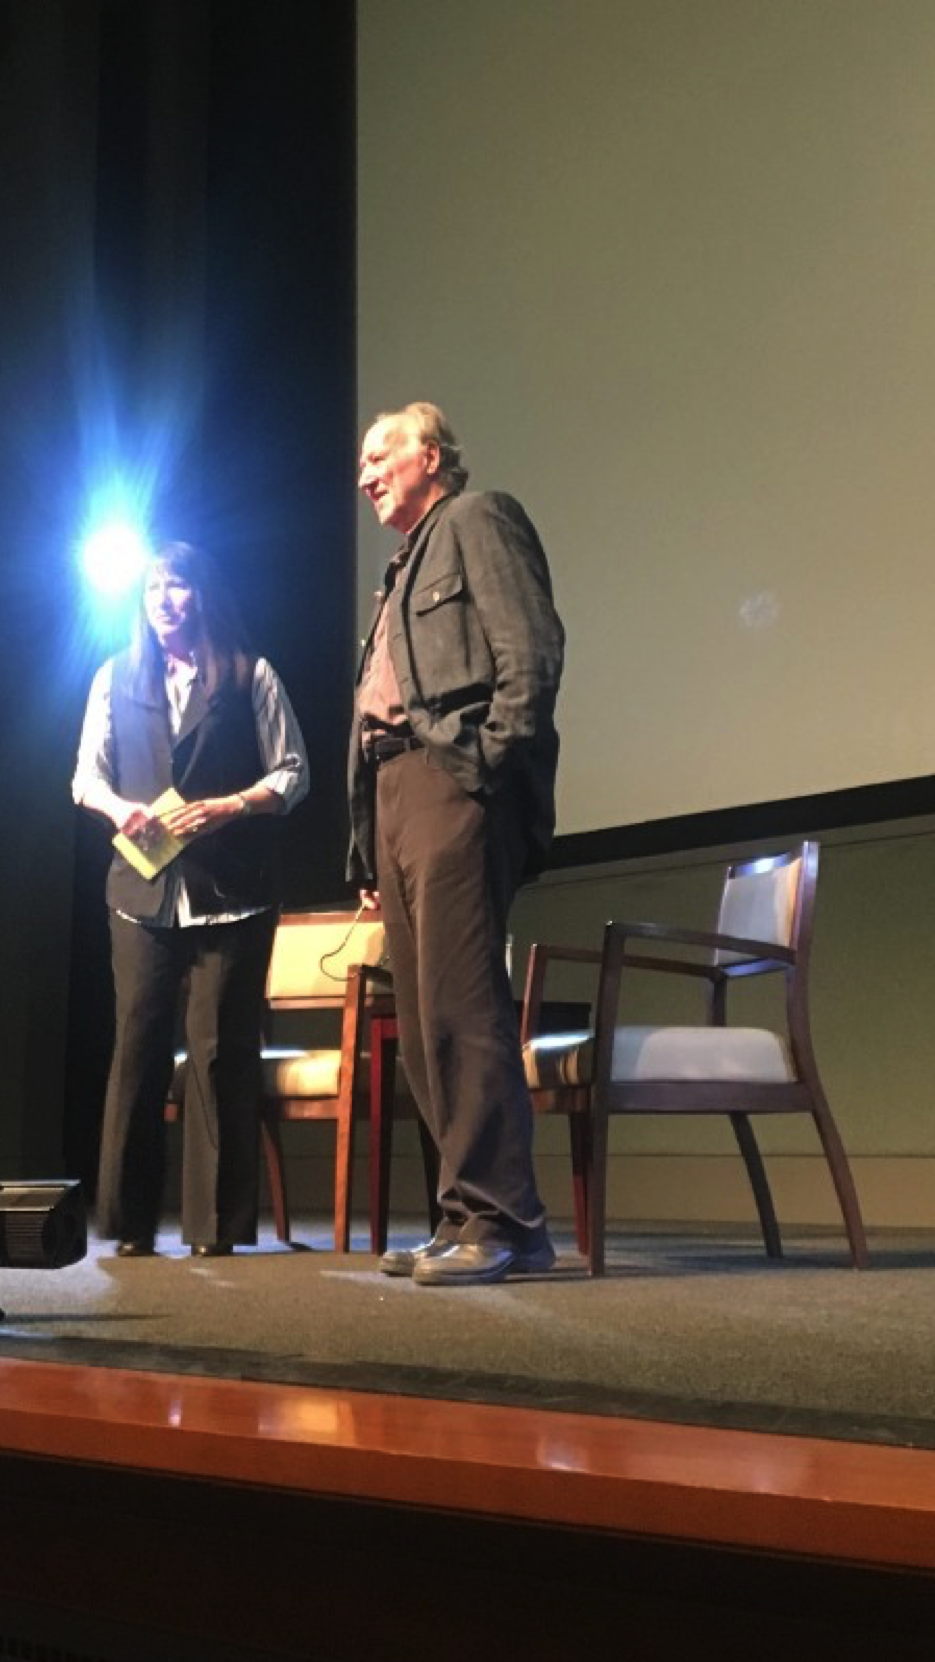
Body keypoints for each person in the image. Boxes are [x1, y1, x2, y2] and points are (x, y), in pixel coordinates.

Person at [349, 402, 565, 1285]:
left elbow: (533, 648)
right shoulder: (397, 574)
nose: (365, 473)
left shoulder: (477, 518)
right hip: (396, 794)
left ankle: (508, 1220)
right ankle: (462, 1212)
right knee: (425, 1017)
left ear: (429, 455)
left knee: (464, 1003)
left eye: (380, 454)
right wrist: (366, 842)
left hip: (452, 781)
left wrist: (488, 763)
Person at [72, 540, 309, 1257]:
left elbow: (293, 772)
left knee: (218, 1053)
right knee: (138, 1048)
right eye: (152, 590)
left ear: (202, 594)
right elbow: (85, 776)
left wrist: (230, 806)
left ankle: (217, 1229)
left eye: (177, 587)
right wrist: (121, 811)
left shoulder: (249, 673)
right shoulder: (115, 676)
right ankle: (129, 1224)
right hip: (141, 890)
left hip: (230, 892)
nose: (165, 600)